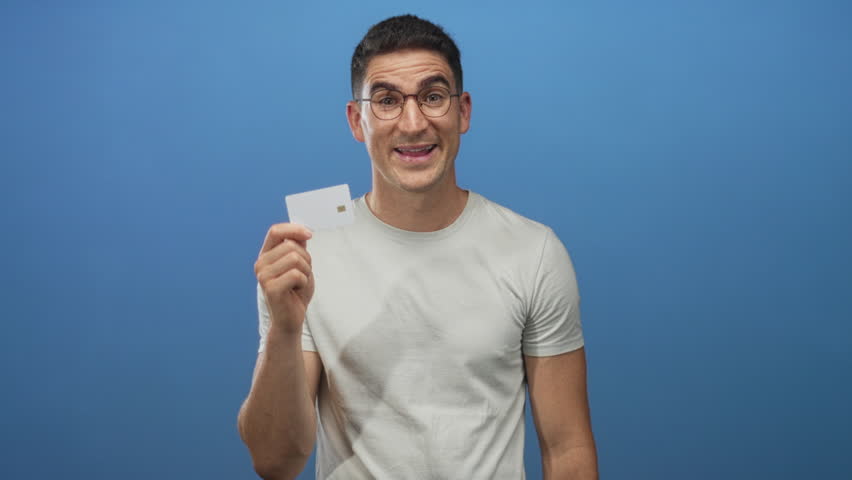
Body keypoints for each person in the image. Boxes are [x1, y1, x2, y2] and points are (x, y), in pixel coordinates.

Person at [238, 14, 598, 480]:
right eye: (387, 101)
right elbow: (275, 462)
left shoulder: (533, 252)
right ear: (357, 120)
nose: (413, 123)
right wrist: (284, 330)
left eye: (432, 96)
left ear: (463, 111)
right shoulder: (307, 257)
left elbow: (568, 448)